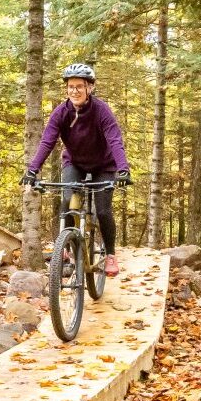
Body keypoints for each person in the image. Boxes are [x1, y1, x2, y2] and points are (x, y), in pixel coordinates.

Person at [21, 62, 130, 276]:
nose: (74, 91)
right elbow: (47, 142)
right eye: (71, 86)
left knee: (104, 210)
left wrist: (123, 169)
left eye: (79, 86)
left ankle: (110, 255)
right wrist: (33, 170)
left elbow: (115, 139)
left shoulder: (101, 111)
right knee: (67, 200)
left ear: (89, 88)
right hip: (75, 163)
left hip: (104, 165)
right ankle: (66, 247)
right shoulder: (61, 112)